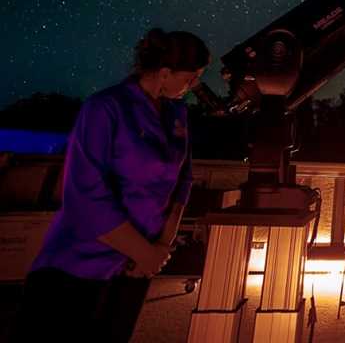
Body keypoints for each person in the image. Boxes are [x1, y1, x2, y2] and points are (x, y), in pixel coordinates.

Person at [13, 28, 210, 343]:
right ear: (164, 73)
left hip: (135, 268)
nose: (194, 85)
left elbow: (182, 181)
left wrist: (160, 248)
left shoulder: (177, 114)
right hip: (80, 266)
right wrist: (143, 251)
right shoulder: (105, 108)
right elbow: (86, 195)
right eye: (190, 77)